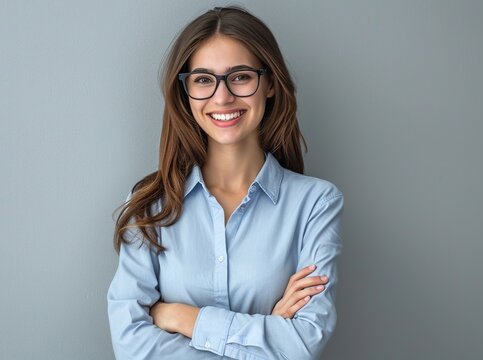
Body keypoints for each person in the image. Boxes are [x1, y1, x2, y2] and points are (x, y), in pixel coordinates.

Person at [107, 6, 344, 359]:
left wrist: (182, 316)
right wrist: (267, 333)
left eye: (241, 77)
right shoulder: (149, 205)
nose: (222, 97)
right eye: (203, 79)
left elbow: (303, 342)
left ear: (269, 85)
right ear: (186, 94)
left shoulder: (315, 204)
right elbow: (131, 344)